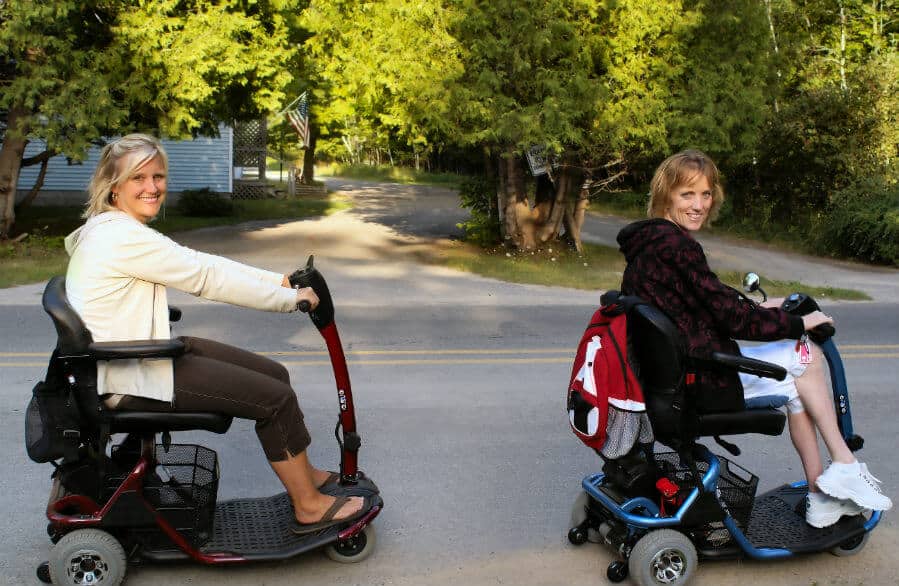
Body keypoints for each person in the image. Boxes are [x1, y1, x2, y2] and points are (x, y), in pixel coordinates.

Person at [64, 133, 368, 535]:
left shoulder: (113, 229)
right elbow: (206, 277)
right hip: (128, 375)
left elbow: (200, 262)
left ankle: (305, 474)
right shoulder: (121, 238)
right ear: (113, 185)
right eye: (138, 178)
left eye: (158, 176)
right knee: (274, 400)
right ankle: (309, 507)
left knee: (275, 375)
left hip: (134, 357)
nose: (152, 187)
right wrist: (289, 300)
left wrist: (280, 282)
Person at [616, 149, 891, 528]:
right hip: (699, 382)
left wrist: (766, 307)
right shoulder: (678, 247)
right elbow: (730, 318)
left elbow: (702, 300)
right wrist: (799, 323)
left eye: (705, 194)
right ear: (666, 195)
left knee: (797, 385)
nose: (698, 205)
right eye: (687, 194)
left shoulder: (649, 246)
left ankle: (822, 492)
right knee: (806, 355)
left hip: (673, 378)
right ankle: (842, 466)